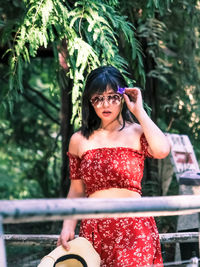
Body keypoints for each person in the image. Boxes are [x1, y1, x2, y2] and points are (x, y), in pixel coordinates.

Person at [57, 65, 171, 267]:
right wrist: (68, 225)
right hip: (94, 231)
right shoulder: (79, 139)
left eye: (112, 97)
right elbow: (76, 190)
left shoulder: (137, 132)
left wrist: (139, 111)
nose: (105, 104)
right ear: (90, 102)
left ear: (123, 97)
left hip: (134, 229)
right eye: (98, 98)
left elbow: (162, 150)